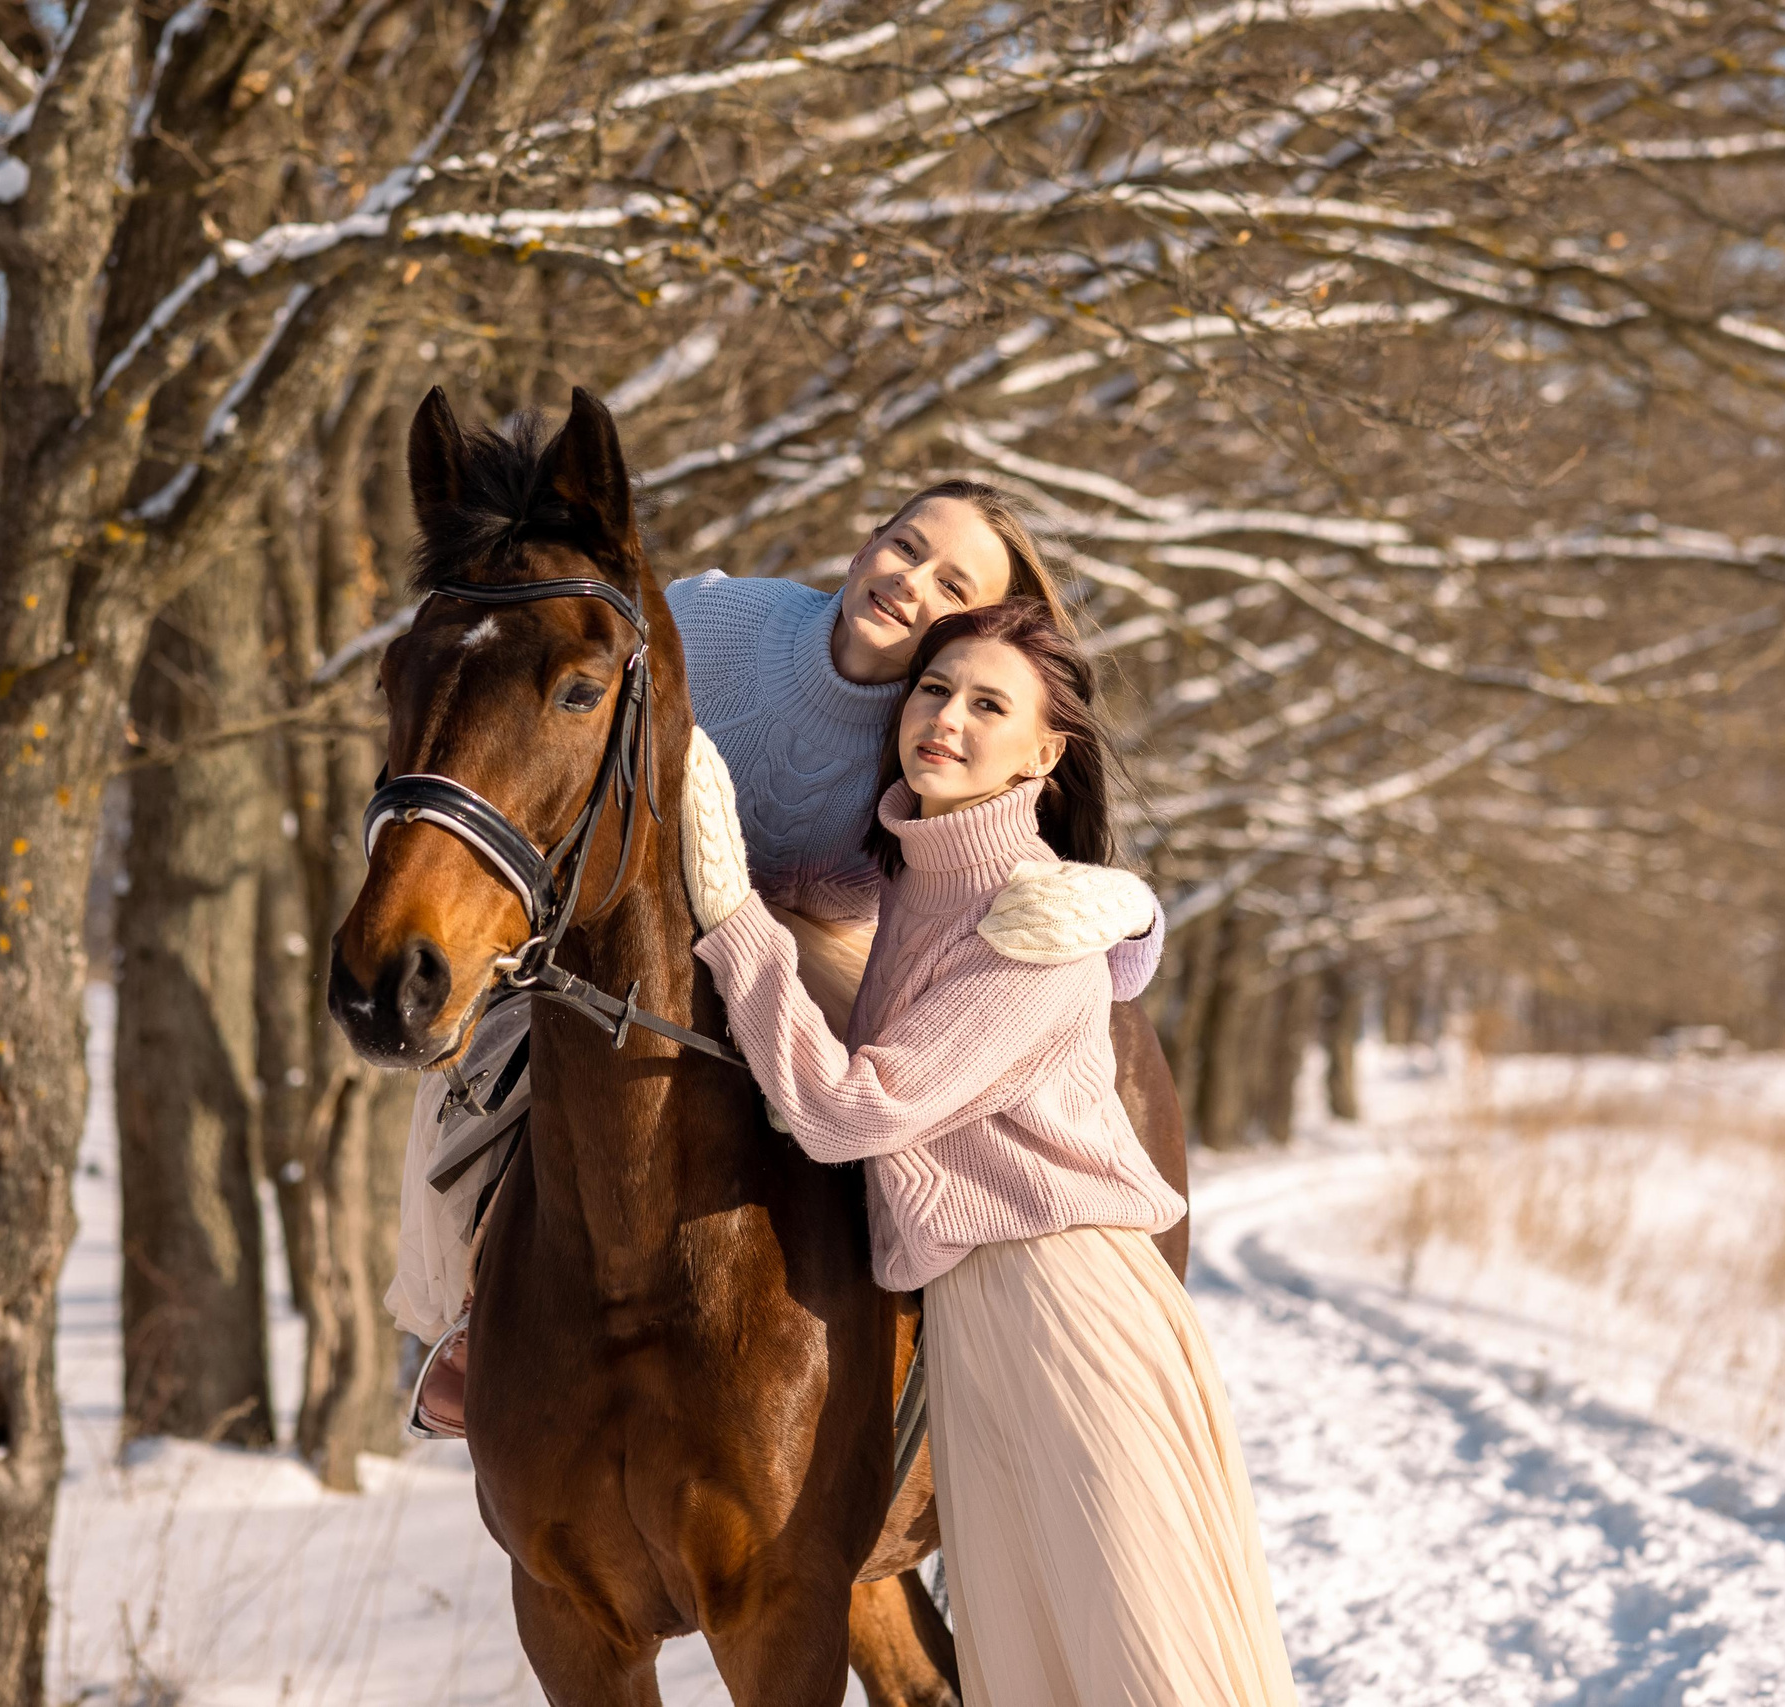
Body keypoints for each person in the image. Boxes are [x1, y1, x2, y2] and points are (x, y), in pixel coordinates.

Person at [388, 481, 1166, 1435]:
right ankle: (470, 1313)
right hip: (644, 916)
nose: (911, 580)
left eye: (951, 581)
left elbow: (1014, 861)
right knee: (491, 1048)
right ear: (862, 546)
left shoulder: (948, 715)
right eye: (904, 545)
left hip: (820, 943)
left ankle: (878, 1364)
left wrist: (1119, 909)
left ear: (983, 622)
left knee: (876, 1109)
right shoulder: (713, 619)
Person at [681, 599, 1299, 1707]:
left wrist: (733, 921)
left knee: (1139, 1665)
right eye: (933, 690)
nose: (947, 719)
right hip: (974, 1325)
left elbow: (848, 1112)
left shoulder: (1036, 922)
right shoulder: (913, 883)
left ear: (1045, 751)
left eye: (987, 704)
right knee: (1031, 1674)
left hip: (1065, 1305)